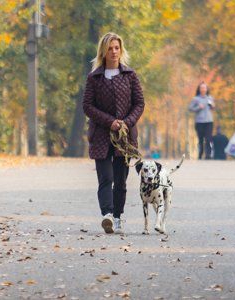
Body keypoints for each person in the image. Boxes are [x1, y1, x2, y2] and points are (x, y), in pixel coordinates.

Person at [82, 32, 145, 234]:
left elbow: (139, 103)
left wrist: (125, 123)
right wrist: (110, 122)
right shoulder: (94, 78)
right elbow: (88, 106)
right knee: (105, 177)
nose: (114, 52)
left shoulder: (130, 76)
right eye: (110, 48)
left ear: (121, 50)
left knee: (121, 180)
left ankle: (118, 217)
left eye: (117, 47)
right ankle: (107, 215)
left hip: (125, 137)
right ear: (103, 51)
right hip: (101, 135)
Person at [188, 82, 214, 160]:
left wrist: (213, 106)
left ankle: (208, 154)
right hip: (199, 122)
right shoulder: (196, 99)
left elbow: (212, 108)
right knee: (200, 139)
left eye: (204, 88)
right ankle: (200, 153)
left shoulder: (210, 98)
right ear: (199, 89)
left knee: (208, 138)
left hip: (209, 121)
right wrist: (198, 107)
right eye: (201, 88)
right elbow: (190, 108)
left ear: (206, 89)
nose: (203, 89)